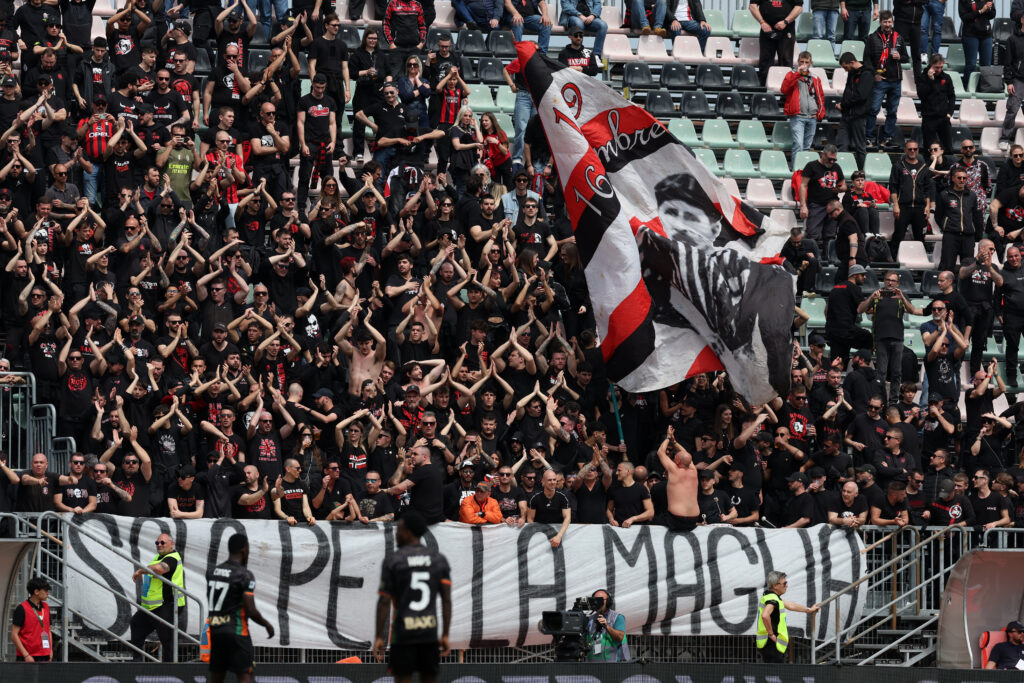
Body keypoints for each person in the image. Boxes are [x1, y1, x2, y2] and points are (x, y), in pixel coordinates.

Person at [373, 511, 452, 683]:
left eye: (399, 530)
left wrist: (378, 636)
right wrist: (445, 634)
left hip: (403, 635)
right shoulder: (438, 560)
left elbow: (384, 601)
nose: (396, 534)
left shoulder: (394, 560)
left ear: (408, 532)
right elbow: (446, 600)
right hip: (429, 634)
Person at [206, 534, 275, 683]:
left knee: (216, 677)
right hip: (237, 632)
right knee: (245, 676)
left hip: (216, 632)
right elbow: (250, 610)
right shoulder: (244, 575)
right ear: (244, 549)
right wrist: (266, 624)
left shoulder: (212, 572)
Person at [129, 533, 185, 661]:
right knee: (136, 624)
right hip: (153, 607)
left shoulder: (172, 558)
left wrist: (141, 570)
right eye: (157, 542)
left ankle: (169, 668)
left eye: (163, 542)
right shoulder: (159, 557)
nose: (159, 545)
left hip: (168, 605)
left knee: (166, 638)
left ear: (172, 544)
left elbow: (160, 569)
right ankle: (137, 663)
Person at [756, 570, 820, 663]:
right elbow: (765, 615)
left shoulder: (770, 597)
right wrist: (771, 634)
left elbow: (791, 605)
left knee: (772, 670)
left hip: (769, 644)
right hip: (772, 644)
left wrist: (809, 610)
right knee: (775, 671)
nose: (787, 586)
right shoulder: (773, 599)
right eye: (784, 583)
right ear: (775, 586)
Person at [863, 11, 904, 149]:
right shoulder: (872, 38)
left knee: (892, 112)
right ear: (880, 22)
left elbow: (906, 57)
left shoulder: (898, 37)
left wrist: (900, 57)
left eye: (889, 22)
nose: (887, 24)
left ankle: (887, 138)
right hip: (880, 80)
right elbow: (866, 59)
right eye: (885, 22)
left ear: (893, 22)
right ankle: (868, 137)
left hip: (896, 80)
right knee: (873, 109)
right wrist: (874, 74)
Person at [889, 139, 935, 257]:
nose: (912, 151)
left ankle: (920, 260)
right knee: (898, 235)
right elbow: (893, 187)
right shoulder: (898, 166)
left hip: (920, 207)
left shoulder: (924, 167)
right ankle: (893, 260)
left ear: (918, 150)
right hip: (903, 207)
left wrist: (927, 206)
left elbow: (927, 189)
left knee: (920, 237)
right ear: (905, 150)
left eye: (915, 149)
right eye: (910, 149)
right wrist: (896, 205)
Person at [825, 264, 873, 367]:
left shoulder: (835, 288)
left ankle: (836, 374)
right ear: (854, 275)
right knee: (868, 338)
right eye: (862, 275)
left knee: (837, 361)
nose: (864, 277)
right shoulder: (854, 288)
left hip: (832, 331)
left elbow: (826, 310)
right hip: (846, 330)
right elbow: (864, 310)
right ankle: (862, 365)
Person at [799, 145, 846, 245]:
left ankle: (828, 254)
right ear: (822, 154)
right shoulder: (811, 166)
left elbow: (844, 185)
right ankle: (812, 255)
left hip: (832, 205)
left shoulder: (836, 167)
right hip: (816, 205)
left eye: (834, 159)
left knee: (830, 236)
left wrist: (840, 189)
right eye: (830, 159)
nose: (832, 162)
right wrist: (803, 206)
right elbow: (803, 185)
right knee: (813, 235)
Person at [782, 52, 826, 158]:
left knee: (807, 147)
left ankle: (804, 168)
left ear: (811, 63)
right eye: (802, 62)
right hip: (798, 116)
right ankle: (796, 168)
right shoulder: (791, 75)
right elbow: (784, 90)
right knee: (798, 145)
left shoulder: (815, 77)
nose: (804, 64)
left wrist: (819, 114)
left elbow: (820, 96)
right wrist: (797, 73)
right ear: (798, 62)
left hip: (812, 117)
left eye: (807, 62)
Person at [750, 0, 804, 86]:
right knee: (765, 60)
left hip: (787, 28)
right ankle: (764, 88)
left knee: (786, 60)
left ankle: (786, 89)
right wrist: (762, 22)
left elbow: (799, 7)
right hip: (767, 28)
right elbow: (752, 5)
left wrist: (785, 21)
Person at [656, 425, 700, 530]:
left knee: (653, 519)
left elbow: (660, 452)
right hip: (694, 520)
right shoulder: (694, 471)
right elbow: (686, 455)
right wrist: (674, 442)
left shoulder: (674, 470)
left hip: (676, 519)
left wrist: (668, 437)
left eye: (675, 457)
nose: (674, 457)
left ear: (678, 461)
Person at [937, 167, 978, 272]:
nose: (962, 180)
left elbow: (976, 216)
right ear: (953, 178)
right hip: (951, 236)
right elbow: (938, 215)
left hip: (968, 236)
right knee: (947, 265)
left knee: (968, 268)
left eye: (964, 178)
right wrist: (946, 225)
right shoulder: (944, 194)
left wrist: (975, 233)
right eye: (959, 178)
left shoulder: (972, 195)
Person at [837, 52, 873, 170]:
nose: (845, 70)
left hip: (859, 115)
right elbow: (848, 92)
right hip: (847, 114)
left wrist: (843, 104)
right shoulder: (852, 73)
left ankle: (861, 172)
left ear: (852, 62)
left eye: (846, 67)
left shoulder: (867, 74)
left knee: (860, 146)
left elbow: (861, 96)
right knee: (842, 144)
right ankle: (843, 170)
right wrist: (843, 105)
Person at [917, 54, 955, 156]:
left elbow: (952, 96)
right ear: (931, 64)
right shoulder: (922, 77)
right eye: (937, 67)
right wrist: (930, 80)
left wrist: (949, 113)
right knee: (929, 149)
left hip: (944, 118)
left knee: (948, 149)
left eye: (941, 67)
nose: (939, 70)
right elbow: (921, 95)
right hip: (929, 118)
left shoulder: (946, 77)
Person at [526, 468, 573, 547]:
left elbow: (567, 517)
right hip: (539, 531)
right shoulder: (534, 497)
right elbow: (530, 518)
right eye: (549, 480)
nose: (552, 482)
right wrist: (537, 535)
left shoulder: (563, 496)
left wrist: (559, 536)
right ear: (543, 481)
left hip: (558, 531)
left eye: (554, 480)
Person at [10, 577, 52, 662]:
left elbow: (48, 630)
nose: (48, 593)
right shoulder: (22, 608)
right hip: (27, 656)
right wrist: (26, 655)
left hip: (45, 654)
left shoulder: (46, 607)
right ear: (36, 592)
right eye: (45, 590)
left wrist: (50, 651)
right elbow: (14, 634)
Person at [1000, 14, 1024, 151]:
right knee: (1012, 109)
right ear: (1022, 20)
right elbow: (1007, 63)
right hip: (1018, 80)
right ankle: (1005, 138)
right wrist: (1009, 82)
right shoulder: (1012, 39)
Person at [586, 589, 630, 661]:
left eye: (601, 600)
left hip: (614, 663)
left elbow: (620, 637)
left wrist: (606, 626)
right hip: (593, 664)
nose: (598, 602)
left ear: (608, 601)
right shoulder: (589, 619)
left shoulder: (617, 617)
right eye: (595, 600)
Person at [959, 0, 995, 82]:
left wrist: (989, 9)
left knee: (986, 66)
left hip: (986, 34)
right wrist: (981, 11)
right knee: (971, 65)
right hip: (970, 34)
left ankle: (984, 88)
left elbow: (992, 15)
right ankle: (967, 87)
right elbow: (964, 17)